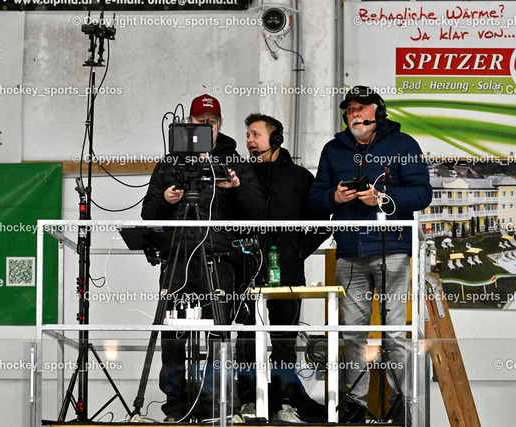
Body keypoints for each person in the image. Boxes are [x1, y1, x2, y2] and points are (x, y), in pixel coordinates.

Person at [309, 86, 432, 424]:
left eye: (362, 108)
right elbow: (315, 199)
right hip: (349, 252)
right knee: (352, 335)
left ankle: (402, 405)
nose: (355, 115)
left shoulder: (403, 145)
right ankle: (355, 406)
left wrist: (382, 197)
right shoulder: (333, 149)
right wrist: (334, 198)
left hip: (392, 249)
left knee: (395, 334)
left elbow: (422, 194)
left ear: (379, 112)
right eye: (350, 109)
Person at [141, 94, 266, 422]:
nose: (206, 127)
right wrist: (166, 199)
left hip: (220, 259)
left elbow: (258, 211)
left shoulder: (234, 161)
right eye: (200, 122)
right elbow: (147, 212)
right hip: (178, 259)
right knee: (172, 335)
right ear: (189, 123)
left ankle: (215, 405)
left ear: (220, 124)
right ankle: (175, 408)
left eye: (212, 122)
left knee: (219, 334)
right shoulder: (171, 163)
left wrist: (237, 187)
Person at [235, 113, 328, 422]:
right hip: (247, 270)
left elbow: (322, 221)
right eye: (247, 135)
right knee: (247, 340)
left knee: (284, 340)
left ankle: (284, 403)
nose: (249, 140)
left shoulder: (299, 177)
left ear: (275, 139)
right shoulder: (242, 175)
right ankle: (250, 402)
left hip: (286, 269)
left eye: (255, 134)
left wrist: (300, 250)